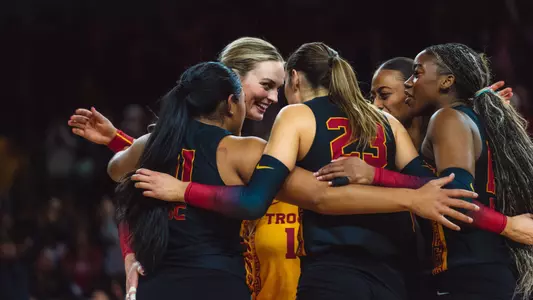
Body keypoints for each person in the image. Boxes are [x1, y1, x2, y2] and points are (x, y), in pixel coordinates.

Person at [133, 42, 479, 300]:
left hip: (333, 273)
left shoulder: (296, 116)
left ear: (295, 78)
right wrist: (393, 185)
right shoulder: (386, 120)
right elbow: (434, 186)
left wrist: (182, 190)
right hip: (394, 277)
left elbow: (257, 200)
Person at [316, 44, 533, 300]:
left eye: (415, 75)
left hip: (473, 272)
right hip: (467, 272)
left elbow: (456, 197)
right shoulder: (452, 125)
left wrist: (375, 175)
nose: (375, 104)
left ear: (446, 81)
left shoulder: (447, 118)